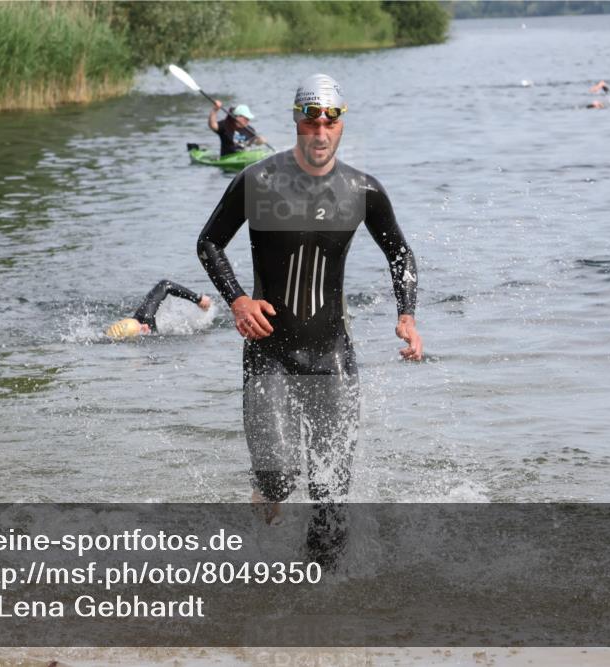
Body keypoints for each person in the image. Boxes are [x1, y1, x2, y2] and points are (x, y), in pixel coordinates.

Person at [197, 74, 423, 530]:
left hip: (332, 353)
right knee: (279, 477)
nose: (319, 132)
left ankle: (326, 595)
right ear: (296, 120)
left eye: (329, 121)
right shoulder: (259, 180)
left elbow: (399, 253)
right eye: (310, 120)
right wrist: (239, 300)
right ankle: (264, 540)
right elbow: (209, 243)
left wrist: (407, 315)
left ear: (341, 124)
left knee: (331, 494)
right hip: (269, 354)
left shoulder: (363, 191)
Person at [106, 280, 211, 339]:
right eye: (141, 329)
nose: (146, 326)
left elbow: (165, 285)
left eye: (140, 324)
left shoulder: (144, 317)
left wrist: (197, 299)